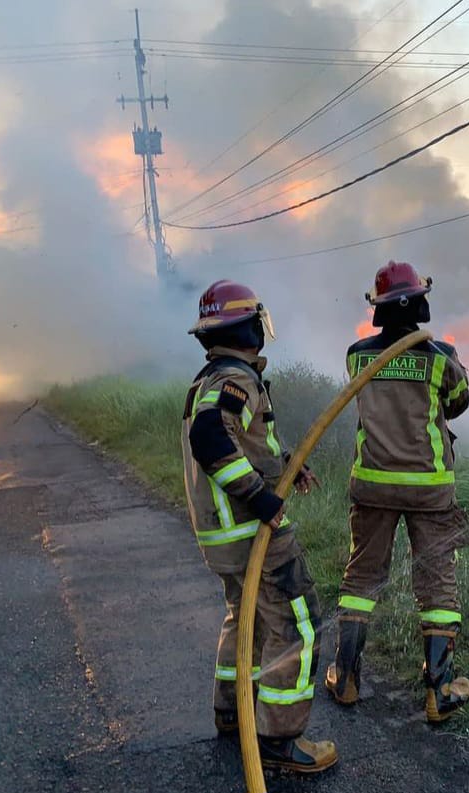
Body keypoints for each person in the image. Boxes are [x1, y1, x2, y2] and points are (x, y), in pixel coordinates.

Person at [181, 279, 337, 774]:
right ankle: (280, 740)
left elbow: (243, 442)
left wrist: (285, 463)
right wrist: (262, 498)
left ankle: (233, 712)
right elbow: (212, 440)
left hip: (222, 538)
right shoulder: (237, 380)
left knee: (244, 618)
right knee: (297, 626)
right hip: (253, 535)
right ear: (249, 326)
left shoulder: (208, 380)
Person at [326, 261, 469, 723]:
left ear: (378, 308)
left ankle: (346, 679)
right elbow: (459, 404)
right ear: (420, 302)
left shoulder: (356, 356)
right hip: (429, 491)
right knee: (436, 581)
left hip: (372, 484)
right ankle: (440, 691)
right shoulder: (441, 356)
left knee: (361, 580)